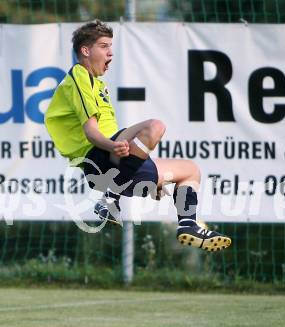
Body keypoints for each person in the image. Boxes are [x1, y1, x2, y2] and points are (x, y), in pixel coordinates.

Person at [45, 20, 231, 252]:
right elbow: (91, 132)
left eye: (111, 46)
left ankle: (188, 224)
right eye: (104, 46)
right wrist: (113, 146)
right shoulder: (79, 75)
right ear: (85, 50)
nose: (110, 52)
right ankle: (110, 198)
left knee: (190, 171)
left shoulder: (98, 85)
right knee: (155, 126)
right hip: (100, 159)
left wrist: (146, 175)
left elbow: (109, 133)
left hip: (120, 168)